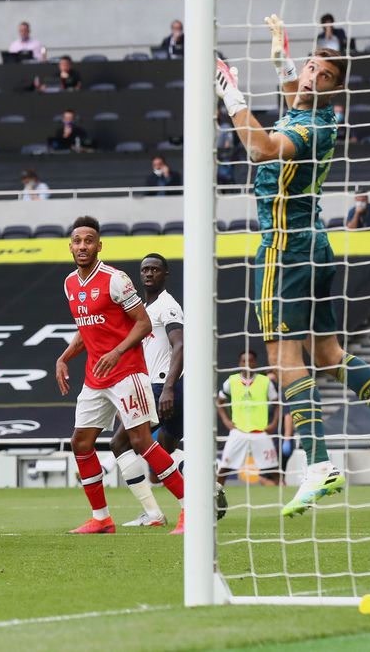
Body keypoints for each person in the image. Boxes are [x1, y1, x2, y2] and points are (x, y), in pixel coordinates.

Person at [214, 13, 370, 517]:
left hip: (283, 248)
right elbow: (294, 90)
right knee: (329, 354)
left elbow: (260, 148)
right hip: (315, 245)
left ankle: (317, 465)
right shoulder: (309, 110)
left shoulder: (311, 127)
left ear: (335, 90)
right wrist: (283, 57)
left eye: (325, 75)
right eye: (312, 67)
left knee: (283, 359)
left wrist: (232, 95)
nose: (312, 77)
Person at [54, 218, 185, 534]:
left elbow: (142, 323)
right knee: (80, 442)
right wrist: (64, 357)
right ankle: (101, 518)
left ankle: (190, 508)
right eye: (77, 241)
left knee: (141, 440)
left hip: (127, 372)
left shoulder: (116, 279)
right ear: (70, 246)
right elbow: (86, 329)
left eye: (89, 241)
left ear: (99, 246)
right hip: (95, 376)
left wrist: (117, 351)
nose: (82, 246)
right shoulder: (70, 283)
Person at [112, 253, 189, 530]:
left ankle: (154, 513)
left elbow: (180, 344)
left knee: (121, 444)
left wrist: (167, 388)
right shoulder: (145, 308)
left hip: (163, 387)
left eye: (155, 269)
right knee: (163, 455)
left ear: (165, 274)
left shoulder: (167, 306)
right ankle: (208, 487)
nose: (148, 273)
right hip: (162, 387)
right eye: (145, 269)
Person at [217, 350, 281, 487]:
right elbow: (220, 402)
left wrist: (274, 423)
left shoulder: (265, 382)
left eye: (251, 360)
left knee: (275, 470)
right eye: (244, 361)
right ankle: (216, 494)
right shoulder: (231, 381)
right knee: (224, 469)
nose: (247, 364)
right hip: (238, 431)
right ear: (239, 363)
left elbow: (277, 404)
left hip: (260, 432)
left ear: (255, 363)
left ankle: (282, 493)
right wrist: (226, 421)